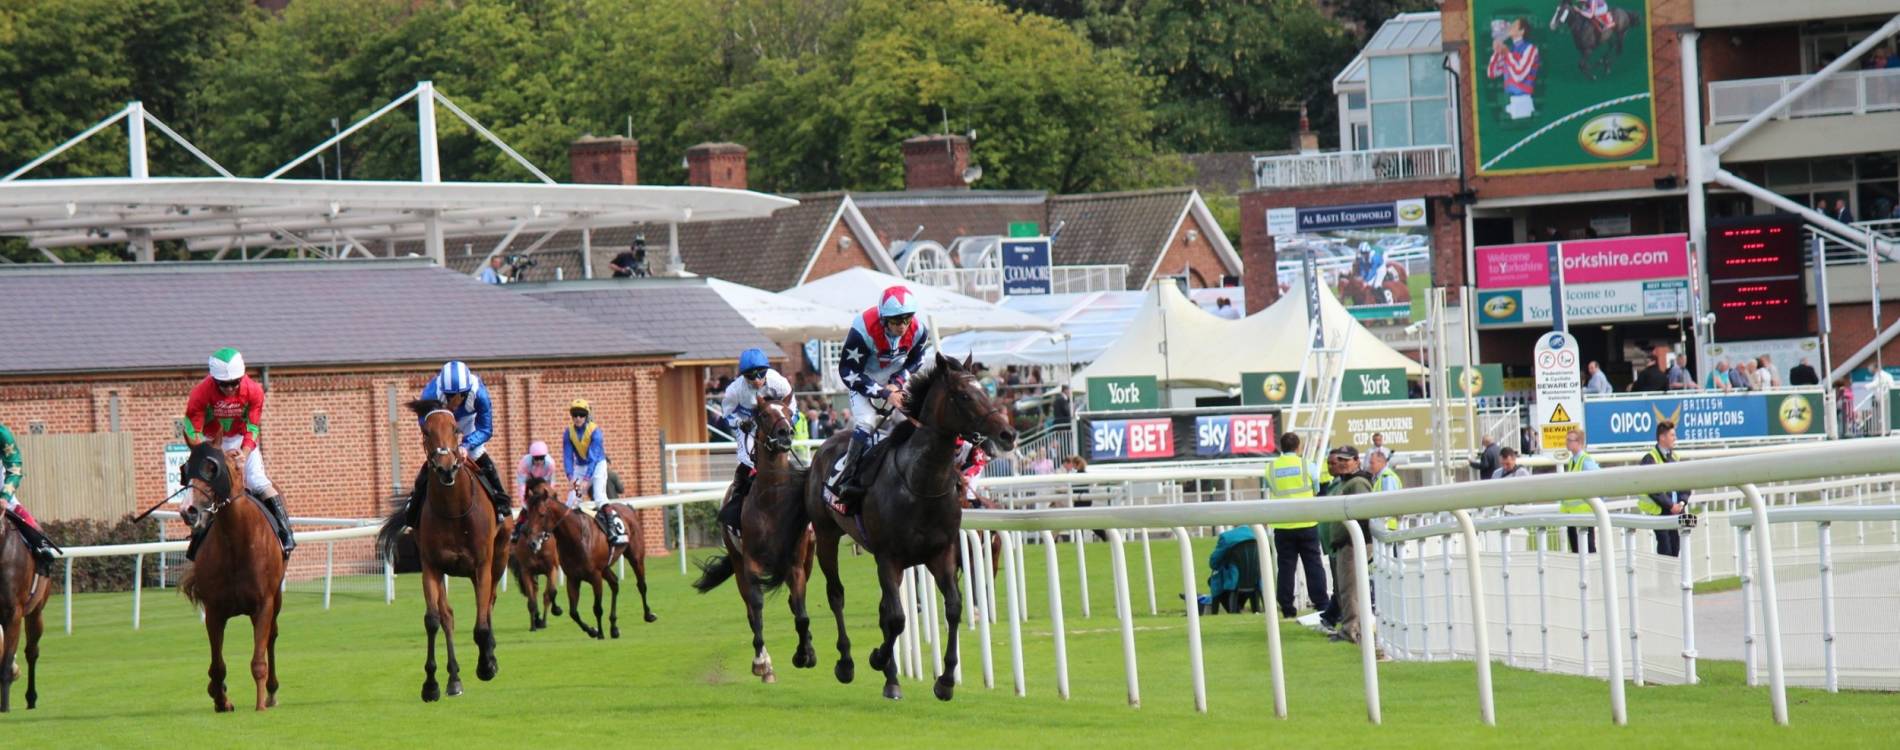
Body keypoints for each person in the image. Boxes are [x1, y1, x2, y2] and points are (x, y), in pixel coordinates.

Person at [826, 285, 932, 512]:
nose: (903, 325)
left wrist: (898, 382)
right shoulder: (862, 328)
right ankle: (847, 479)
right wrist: (884, 392)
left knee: (921, 418)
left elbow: (918, 360)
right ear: (884, 319)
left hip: (895, 379)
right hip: (862, 379)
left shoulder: (919, 329)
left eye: (907, 318)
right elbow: (848, 372)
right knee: (866, 423)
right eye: (896, 320)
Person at [182, 348, 295, 554]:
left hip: (241, 438)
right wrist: (208, 453)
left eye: (235, 383)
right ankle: (196, 541)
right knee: (201, 488)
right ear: (214, 380)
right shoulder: (200, 393)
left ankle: (285, 532)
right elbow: (192, 429)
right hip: (211, 440)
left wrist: (244, 453)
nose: (230, 388)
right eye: (224, 384)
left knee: (258, 481)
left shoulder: (254, 390)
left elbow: (253, 426)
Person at [403, 360, 508, 530]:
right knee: (438, 458)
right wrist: (440, 439)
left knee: (477, 454)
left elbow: (486, 429)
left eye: (461, 395)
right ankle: (413, 505)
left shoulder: (479, 393)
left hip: (469, 420)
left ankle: (500, 500)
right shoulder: (431, 393)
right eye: (450, 396)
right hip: (441, 421)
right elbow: (424, 422)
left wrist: (466, 445)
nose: (455, 400)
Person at [717, 348, 794, 531]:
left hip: (772, 423)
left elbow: (792, 406)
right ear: (743, 376)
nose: (757, 380)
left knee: (788, 460)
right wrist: (739, 422)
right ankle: (736, 505)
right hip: (748, 425)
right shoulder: (735, 390)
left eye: (761, 373)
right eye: (751, 376)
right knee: (746, 461)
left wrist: (790, 422)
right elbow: (726, 413)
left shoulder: (779, 382)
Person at [1265, 432, 1329, 620]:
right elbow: (1316, 488)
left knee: (1285, 568)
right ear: (1298, 447)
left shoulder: (1270, 468)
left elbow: (1272, 488)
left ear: (1281, 447)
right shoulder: (1307, 465)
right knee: (1313, 565)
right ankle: (1321, 603)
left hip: (1283, 525)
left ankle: (1287, 607)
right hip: (1307, 522)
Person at [1320, 447, 1377, 646]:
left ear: (1356, 460)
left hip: (1352, 543)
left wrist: (1356, 539)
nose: (1342, 463)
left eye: (1346, 460)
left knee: (1350, 590)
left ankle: (1352, 631)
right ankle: (1350, 629)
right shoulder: (1347, 482)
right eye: (1340, 460)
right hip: (1347, 543)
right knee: (1345, 589)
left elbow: (1363, 512)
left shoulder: (1357, 482)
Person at [0, 421, 56, 568]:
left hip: (2, 494)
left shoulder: (2, 433)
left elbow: (15, 468)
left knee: (25, 518)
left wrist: (5, 497)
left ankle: (41, 546)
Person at [1638, 420, 1689, 557]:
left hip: (1676, 512)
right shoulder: (1650, 459)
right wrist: (1671, 505)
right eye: (1672, 435)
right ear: (1662, 437)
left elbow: (1685, 483)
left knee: (1675, 548)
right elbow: (1652, 487)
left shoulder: (1675, 457)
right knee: (1665, 550)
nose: (1675, 438)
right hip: (1660, 512)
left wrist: (1682, 503)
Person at [1487, 17, 1541, 120]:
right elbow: (1492, 73)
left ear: (1521, 31)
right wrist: (1497, 51)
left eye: (1514, 25)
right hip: (1509, 101)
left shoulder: (1530, 49)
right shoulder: (1510, 49)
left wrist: (1507, 53)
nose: (1510, 26)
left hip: (1522, 101)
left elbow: (1519, 75)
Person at [562, 399, 611, 509]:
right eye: (575, 415)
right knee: (573, 501)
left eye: (582, 414)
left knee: (599, 497)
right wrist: (570, 477)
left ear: (586, 416)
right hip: (580, 467)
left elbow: (593, 458)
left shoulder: (595, 431)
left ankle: (611, 519)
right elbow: (568, 457)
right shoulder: (568, 432)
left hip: (597, 465)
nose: (578, 418)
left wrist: (586, 479)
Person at [1559, 428, 1601, 553]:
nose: (1567, 443)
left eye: (1569, 440)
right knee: (1578, 551)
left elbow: (1599, 481)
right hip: (1574, 515)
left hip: (1584, 515)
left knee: (1588, 550)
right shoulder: (1572, 461)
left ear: (1579, 443)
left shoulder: (1585, 461)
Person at [514, 440, 558, 506]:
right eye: (536, 458)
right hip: (530, 480)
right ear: (532, 457)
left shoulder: (550, 464)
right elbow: (521, 484)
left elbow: (551, 483)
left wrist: (549, 497)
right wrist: (524, 503)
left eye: (541, 458)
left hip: (544, 479)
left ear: (545, 457)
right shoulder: (524, 463)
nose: (539, 461)